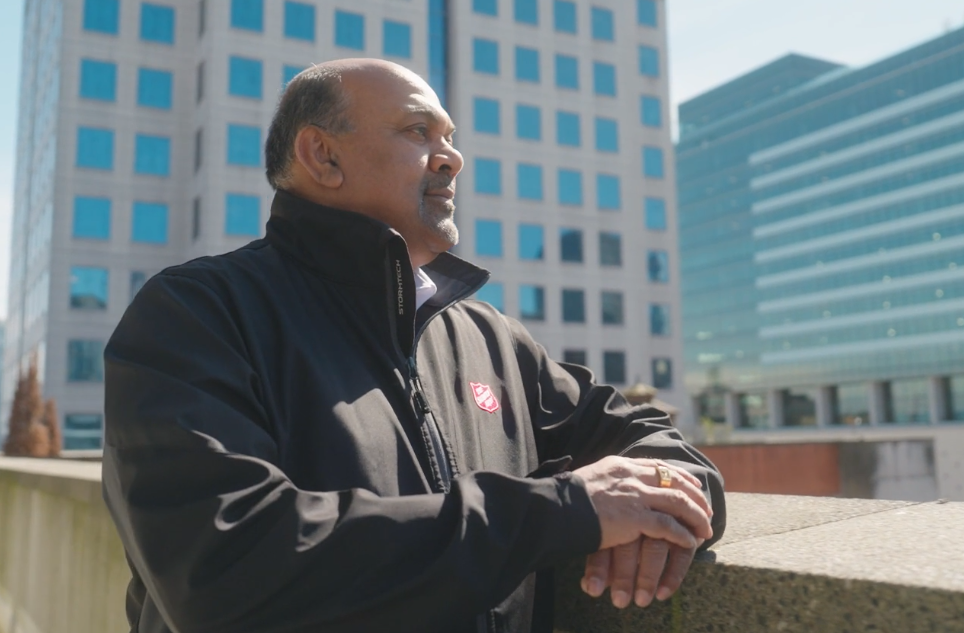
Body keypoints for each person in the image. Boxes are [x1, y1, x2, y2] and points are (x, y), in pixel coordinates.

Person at [102, 59, 725, 633]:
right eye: (418, 131)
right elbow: (223, 569)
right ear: (322, 156)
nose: (452, 158)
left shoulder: (491, 338)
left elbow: (658, 443)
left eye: (450, 137)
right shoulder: (197, 313)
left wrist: (660, 503)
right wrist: (565, 511)